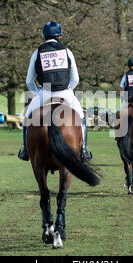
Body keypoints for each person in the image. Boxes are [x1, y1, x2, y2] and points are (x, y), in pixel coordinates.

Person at [18, 21, 93, 162]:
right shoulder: (67, 51)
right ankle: (83, 150)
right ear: (59, 36)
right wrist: (68, 89)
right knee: (81, 118)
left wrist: (37, 93)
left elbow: (29, 81)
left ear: (44, 36)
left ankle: (26, 150)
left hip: (44, 93)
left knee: (28, 118)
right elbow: (75, 78)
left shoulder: (37, 52)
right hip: (65, 92)